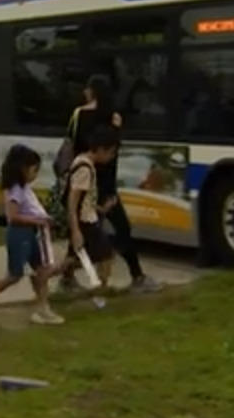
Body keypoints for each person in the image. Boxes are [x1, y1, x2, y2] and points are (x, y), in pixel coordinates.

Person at [58, 75, 162, 294]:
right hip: (104, 185)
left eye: (87, 90)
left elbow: (71, 146)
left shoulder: (79, 115)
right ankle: (136, 276)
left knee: (83, 229)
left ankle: (66, 278)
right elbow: (112, 157)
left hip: (84, 180)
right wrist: (110, 189)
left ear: (91, 91)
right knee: (121, 229)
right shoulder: (114, 118)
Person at [0, 144, 67, 326]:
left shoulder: (23, 187)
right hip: (20, 235)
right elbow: (13, 216)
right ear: (23, 169)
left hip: (31, 233)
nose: (36, 175)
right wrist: (39, 221)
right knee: (14, 275)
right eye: (34, 170)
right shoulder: (15, 190)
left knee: (40, 271)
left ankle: (42, 308)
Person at [65, 124, 122, 292]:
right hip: (85, 222)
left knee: (77, 257)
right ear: (101, 149)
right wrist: (76, 230)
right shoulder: (85, 168)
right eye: (111, 153)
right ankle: (102, 289)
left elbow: (84, 199)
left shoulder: (84, 162)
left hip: (87, 217)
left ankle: (59, 276)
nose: (111, 157)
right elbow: (73, 201)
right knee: (106, 256)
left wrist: (101, 209)